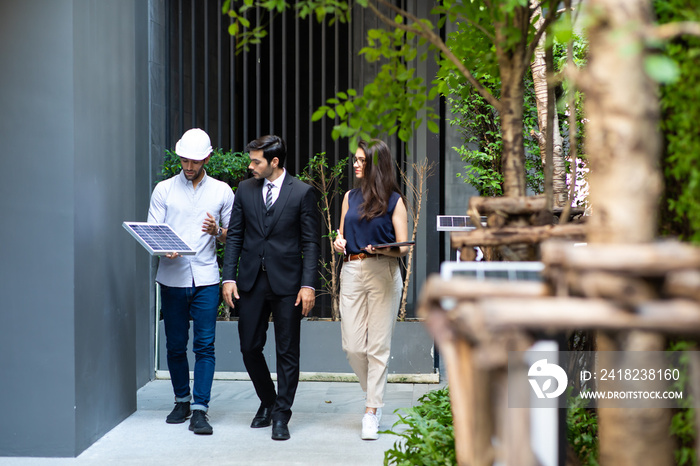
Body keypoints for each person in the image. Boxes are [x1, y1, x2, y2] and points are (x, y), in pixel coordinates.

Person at [221, 135, 320, 441]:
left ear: (274, 162)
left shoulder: (302, 192)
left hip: (289, 283)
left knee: (287, 351)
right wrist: (229, 277)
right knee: (249, 346)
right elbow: (235, 235)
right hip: (251, 281)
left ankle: (281, 415)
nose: (250, 166)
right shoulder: (245, 190)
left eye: (256, 161)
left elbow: (311, 243)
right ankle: (268, 399)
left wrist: (308, 285)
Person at [148, 128, 234, 435]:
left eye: (194, 161)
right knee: (174, 345)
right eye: (184, 160)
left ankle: (200, 409)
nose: (188, 166)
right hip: (172, 278)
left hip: (207, 278)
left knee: (205, 346)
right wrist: (162, 248)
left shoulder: (223, 191)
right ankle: (181, 400)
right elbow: (152, 231)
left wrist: (216, 232)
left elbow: (233, 235)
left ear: (208, 158)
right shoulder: (164, 190)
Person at [333, 139, 409, 440]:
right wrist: (338, 243)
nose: (356, 164)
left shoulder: (394, 201)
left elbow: (403, 247)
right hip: (351, 269)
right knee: (352, 347)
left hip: (383, 270)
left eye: (362, 160)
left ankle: (371, 411)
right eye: (355, 159)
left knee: (378, 346)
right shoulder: (350, 197)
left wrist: (384, 249)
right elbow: (340, 235)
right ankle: (374, 395)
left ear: (377, 164)